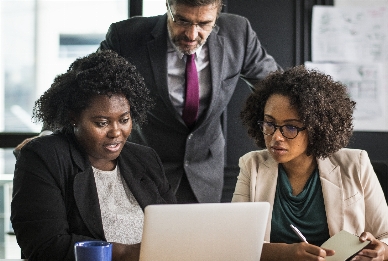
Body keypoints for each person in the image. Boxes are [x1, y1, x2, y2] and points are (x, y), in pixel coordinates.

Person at [98, 0, 281, 203]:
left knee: (201, 234)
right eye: (182, 20)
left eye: (204, 24)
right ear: (168, 5)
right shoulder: (125, 36)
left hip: (205, 170)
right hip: (143, 168)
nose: (192, 35)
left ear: (217, 14)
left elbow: (278, 88)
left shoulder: (238, 33)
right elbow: (89, 91)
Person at [11, 50, 177, 261]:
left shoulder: (144, 158)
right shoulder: (44, 157)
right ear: (73, 118)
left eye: (124, 119)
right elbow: (44, 244)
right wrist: (124, 253)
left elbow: (175, 228)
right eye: (101, 123)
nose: (116, 132)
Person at [232, 65, 388, 261]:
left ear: (316, 128)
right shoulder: (252, 166)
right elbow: (234, 244)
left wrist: (381, 251)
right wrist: (282, 254)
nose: (276, 136)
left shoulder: (356, 164)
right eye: (269, 124)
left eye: (291, 127)